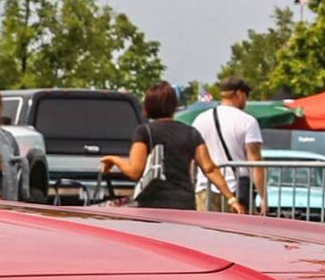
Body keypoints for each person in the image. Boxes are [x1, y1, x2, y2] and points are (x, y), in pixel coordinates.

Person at [100, 81, 244, 212]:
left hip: (152, 205)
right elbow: (209, 168)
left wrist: (114, 160)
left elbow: (134, 171)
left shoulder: (144, 131)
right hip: (183, 204)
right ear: (174, 106)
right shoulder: (191, 133)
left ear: (149, 105)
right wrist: (231, 199)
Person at [194, 77, 265, 213]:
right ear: (239, 94)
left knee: (206, 227)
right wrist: (263, 197)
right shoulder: (248, 121)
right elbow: (255, 161)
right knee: (238, 227)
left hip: (205, 188)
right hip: (236, 190)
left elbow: (193, 157)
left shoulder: (200, 119)